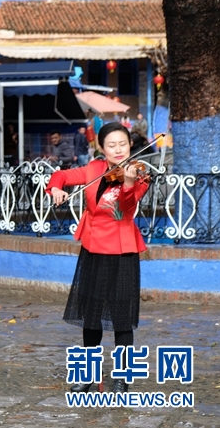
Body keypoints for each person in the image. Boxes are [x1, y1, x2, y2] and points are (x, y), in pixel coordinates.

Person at [47, 122, 149, 395]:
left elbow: (126, 206)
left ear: (131, 145)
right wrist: (55, 189)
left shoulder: (140, 175)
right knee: (90, 317)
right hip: (93, 248)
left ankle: (122, 379)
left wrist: (129, 183)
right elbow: (60, 176)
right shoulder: (93, 169)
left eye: (123, 144)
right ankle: (88, 375)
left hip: (123, 250)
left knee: (122, 317)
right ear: (102, 148)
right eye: (112, 145)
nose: (118, 150)